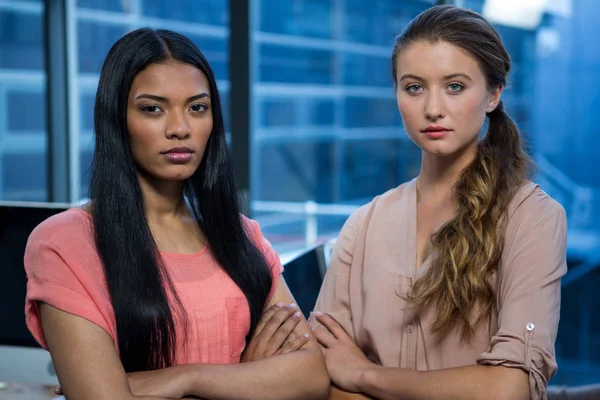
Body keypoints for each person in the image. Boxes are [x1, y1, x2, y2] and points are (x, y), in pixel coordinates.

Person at [24, 28, 328, 400]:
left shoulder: (244, 238)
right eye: (153, 108)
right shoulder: (65, 243)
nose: (180, 129)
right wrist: (249, 380)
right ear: (117, 119)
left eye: (197, 108)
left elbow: (311, 377)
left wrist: (187, 378)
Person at [309, 5, 566, 400]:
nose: (432, 108)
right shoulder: (364, 223)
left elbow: (510, 388)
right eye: (414, 87)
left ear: (493, 94)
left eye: (455, 86)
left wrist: (365, 376)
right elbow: (321, 371)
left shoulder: (531, 217)